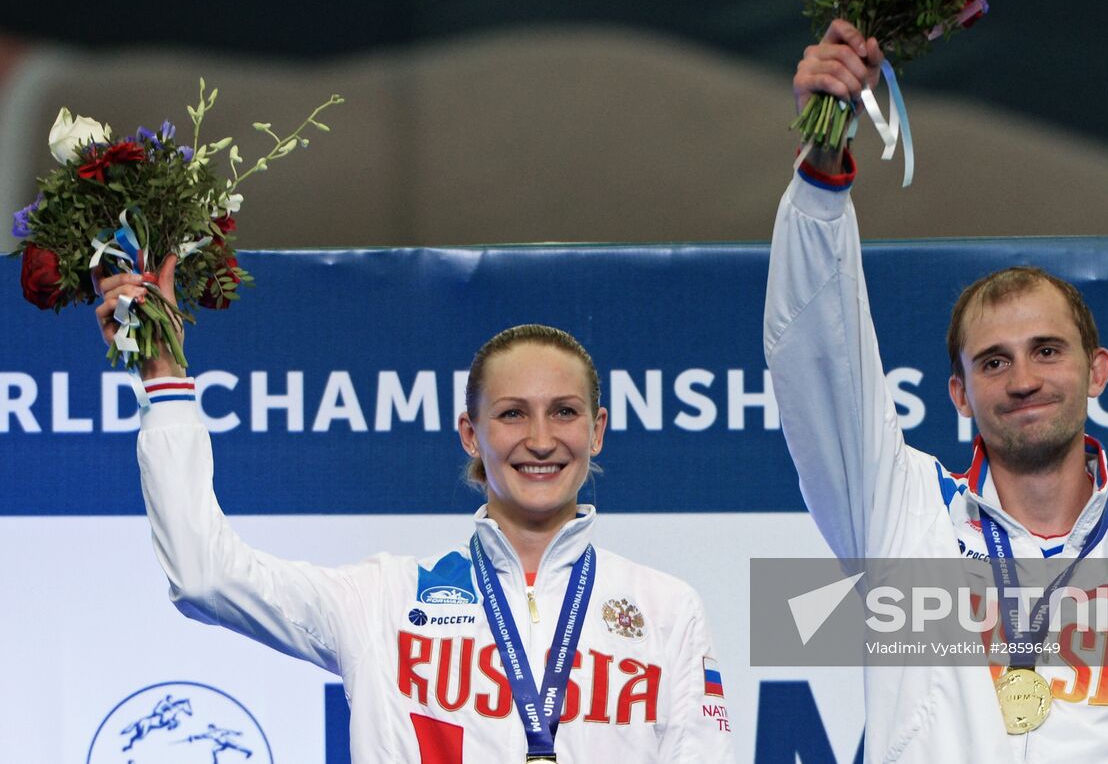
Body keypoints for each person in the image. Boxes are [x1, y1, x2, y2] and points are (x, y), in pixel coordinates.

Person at [763, 20, 1108, 762]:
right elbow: (820, 359)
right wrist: (822, 167)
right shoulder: (901, 518)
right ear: (958, 392)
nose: (1023, 380)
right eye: (993, 361)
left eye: (1047, 350)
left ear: (1097, 370)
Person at [97, 261, 735, 762]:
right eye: (512, 413)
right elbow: (205, 576)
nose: (541, 439)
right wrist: (163, 378)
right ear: (470, 434)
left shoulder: (665, 609)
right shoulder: (382, 600)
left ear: (596, 431)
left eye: (563, 412)